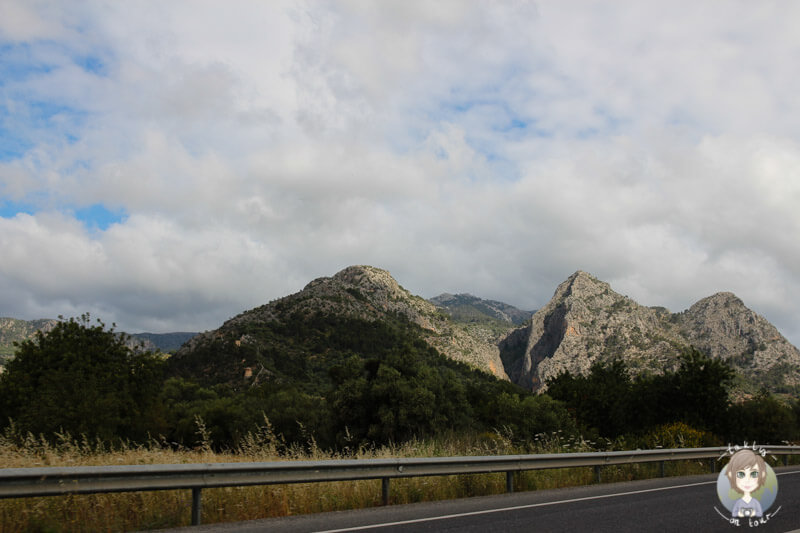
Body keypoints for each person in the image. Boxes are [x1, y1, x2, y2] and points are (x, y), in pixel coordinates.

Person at [726, 449, 767, 518]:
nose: (747, 480)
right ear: (731, 475)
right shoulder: (739, 503)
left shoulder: (755, 502)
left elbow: (760, 513)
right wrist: (739, 513)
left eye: (754, 474)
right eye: (741, 474)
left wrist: (754, 513)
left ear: (762, 475)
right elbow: (734, 513)